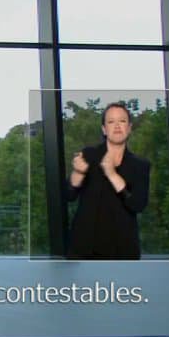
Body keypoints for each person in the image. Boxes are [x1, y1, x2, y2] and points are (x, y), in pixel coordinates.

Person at [66, 102, 150, 260]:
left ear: (129, 128)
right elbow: (68, 195)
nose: (117, 126)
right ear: (104, 129)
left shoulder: (140, 165)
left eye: (122, 121)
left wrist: (112, 174)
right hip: (84, 249)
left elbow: (138, 205)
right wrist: (78, 172)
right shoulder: (89, 155)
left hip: (123, 250)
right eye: (111, 122)